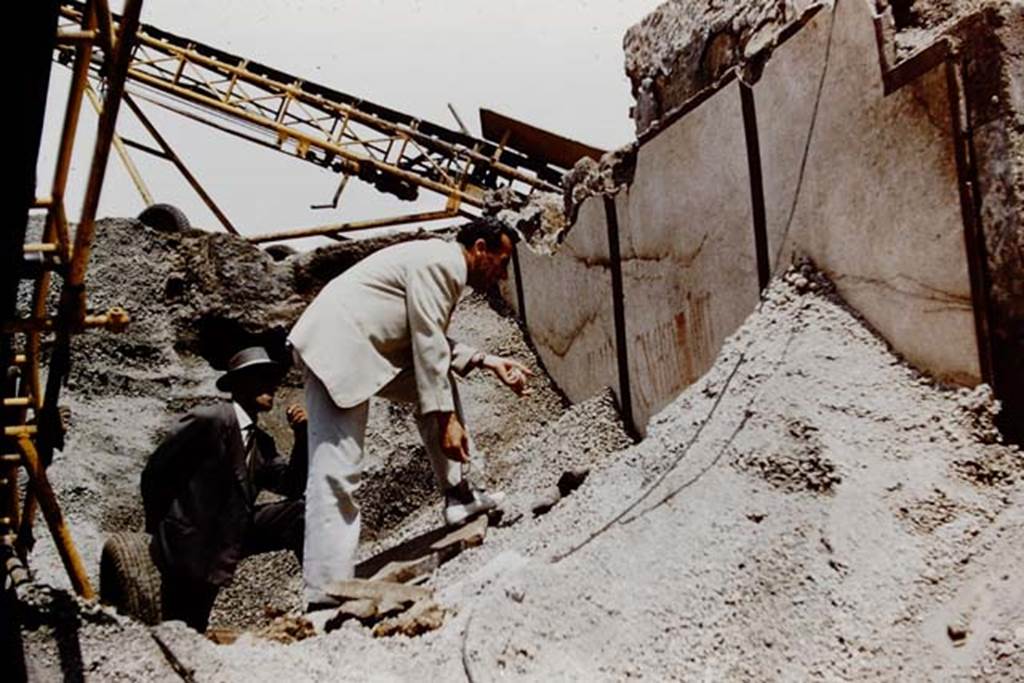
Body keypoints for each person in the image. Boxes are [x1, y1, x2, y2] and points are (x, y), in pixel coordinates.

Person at [289, 219, 533, 607]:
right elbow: (429, 342)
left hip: (365, 349)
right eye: (501, 262)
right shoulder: (443, 264)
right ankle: (324, 586)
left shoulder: (439, 262)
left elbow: (429, 336)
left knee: (437, 389)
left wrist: (487, 361)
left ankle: (458, 496)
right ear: (481, 248)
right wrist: (447, 420)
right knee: (337, 468)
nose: (502, 274)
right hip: (336, 350)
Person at [140, 346, 308, 632]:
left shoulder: (262, 444)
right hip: (189, 545)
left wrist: (303, 437)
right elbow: (156, 470)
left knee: (303, 512)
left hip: (228, 538)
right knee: (183, 628)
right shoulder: (211, 420)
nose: (271, 386)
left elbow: (291, 487)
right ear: (239, 384)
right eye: (260, 377)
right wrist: (165, 526)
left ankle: (320, 599)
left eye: (272, 379)